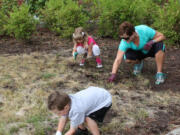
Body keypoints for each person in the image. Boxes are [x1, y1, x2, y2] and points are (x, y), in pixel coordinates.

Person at [48, 86, 112, 135]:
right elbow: (63, 118)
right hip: (96, 94)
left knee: (87, 118)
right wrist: (58, 132)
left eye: (58, 113)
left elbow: (72, 130)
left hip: (104, 101)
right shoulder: (67, 101)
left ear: (66, 107)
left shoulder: (76, 110)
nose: (58, 115)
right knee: (78, 117)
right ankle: (82, 130)